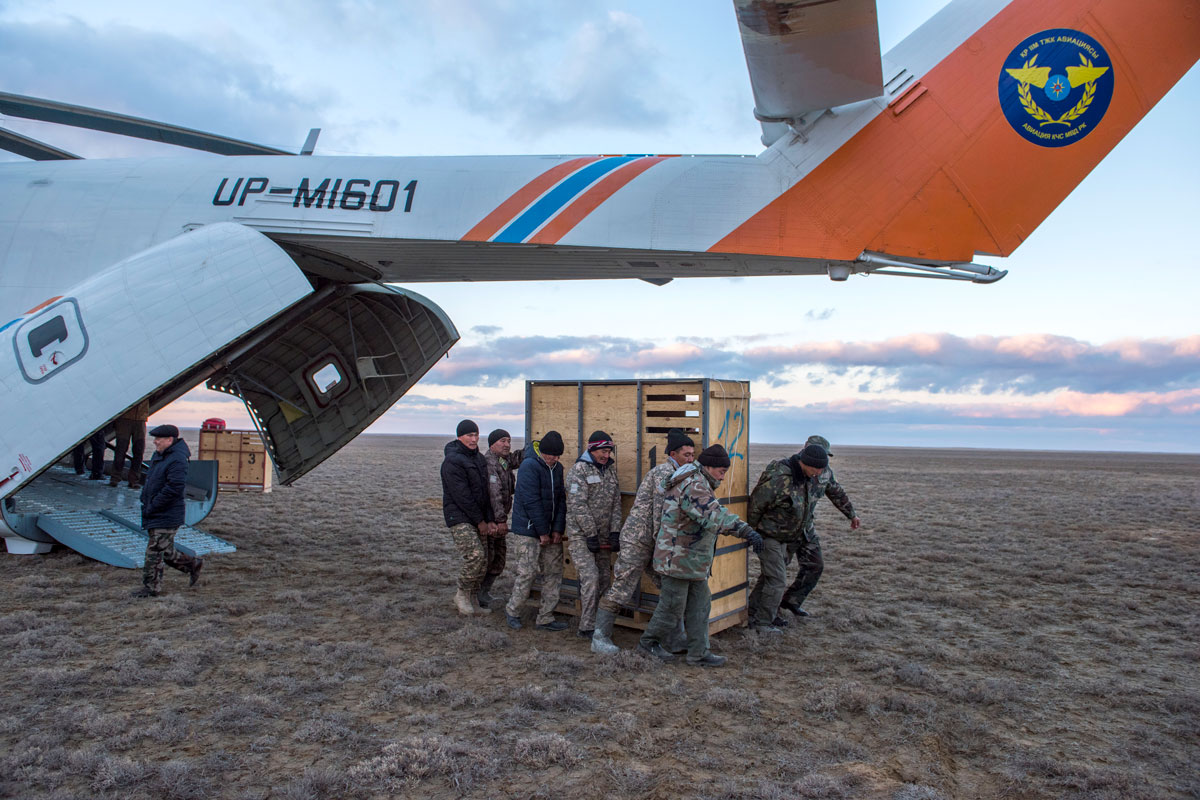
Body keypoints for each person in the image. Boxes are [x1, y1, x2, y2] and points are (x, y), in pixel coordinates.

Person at [639, 444, 763, 667]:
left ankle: (698, 652)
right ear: (708, 467)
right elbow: (714, 514)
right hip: (675, 557)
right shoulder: (694, 485)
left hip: (689, 559)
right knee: (672, 606)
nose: (723, 477)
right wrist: (746, 531)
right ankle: (648, 644)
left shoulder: (698, 480)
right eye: (721, 471)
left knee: (700, 604)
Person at [592, 428, 695, 655]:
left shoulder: (681, 475)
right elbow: (660, 513)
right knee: (622, 587)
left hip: (655, 543)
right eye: (686, 455)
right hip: (639, 540)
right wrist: (665, 548)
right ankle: (599, 637)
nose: (690, 459)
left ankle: (674, 639)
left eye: (692, 454)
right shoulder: (663, 474)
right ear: (673, 454)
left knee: (670, 588)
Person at [747, 442, 858, 632]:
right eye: (816, 469)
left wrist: (851, 514)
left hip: (792, 535)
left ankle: (755, 612)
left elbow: (834, 492)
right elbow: (756, 505)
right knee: (777, 579)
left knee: (771, 576)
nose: (819, 473)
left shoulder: (810, 476)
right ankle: (762, 623)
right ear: (806, 462)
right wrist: (751, 533)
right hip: (770, 535)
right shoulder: (781, 478)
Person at [779, 435, 861, 619]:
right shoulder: (787, 469)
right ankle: (764, 610)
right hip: (785, 529)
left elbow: (836, 492)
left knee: (815, 566)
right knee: (777, 572)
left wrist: (851, 514)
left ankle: (791, 601)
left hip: (806, 529)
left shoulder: (825, 472)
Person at [505, 431, 569, 631]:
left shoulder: (557, 469)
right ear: (542, 452)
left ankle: (546, 617)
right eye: (551, 455)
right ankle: (513, 610)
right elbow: (530, 501)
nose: (554, 459)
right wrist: (543, 532)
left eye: (558, 456)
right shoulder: (529, 466)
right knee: (527, 572)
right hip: (528, 530)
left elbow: (560, 500)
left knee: (553, 572)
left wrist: (557, 529)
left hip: (549, 531)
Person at [132, 424, 202, 598]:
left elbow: (174, 487)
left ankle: (151, 588)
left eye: (158, 439)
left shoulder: (177, 459)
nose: (155, 442)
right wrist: (145, 498)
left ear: (169, 440)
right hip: (156, 510)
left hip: (166, 513)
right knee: (167, 552)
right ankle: (193, 565)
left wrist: (154, 505)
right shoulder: (161, 455)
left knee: (154, 551)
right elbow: (152, 480)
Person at [564, 430, 623, 638]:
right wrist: (590, 533)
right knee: (590, 577)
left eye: (608, 451)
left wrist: (615, 532)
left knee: (605, 580)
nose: (606, 455)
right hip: (582, 537)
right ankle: (586, 626)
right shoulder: (578, 471)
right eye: (602, 451)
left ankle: (601, 624)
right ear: (592, 449)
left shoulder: (610, 471)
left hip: (604, 537)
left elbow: (616, 502)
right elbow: (577, 504)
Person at [440, 419, 495, 616]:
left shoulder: (478, 459)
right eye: (469, 436)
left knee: (484, 559)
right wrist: (480, 521)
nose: (473, 439)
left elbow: (485, 492)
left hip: (478, 516)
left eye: (476, 435)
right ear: (459, 437)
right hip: (459, 515)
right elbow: (461, 495)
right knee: (475, 555)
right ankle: (461, 593)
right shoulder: (452, 461)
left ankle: (473, 597)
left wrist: (488, 519)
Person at [480, 428, 523, 609]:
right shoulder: (489, 463)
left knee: (499, 559)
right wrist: (500, 520)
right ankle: (476, 594)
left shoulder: (502, 460)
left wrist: (535, 446)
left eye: (509, 441)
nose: (507, 445)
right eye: (502, 441)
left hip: (499, 521)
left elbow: (514, 459)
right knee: (487, 558)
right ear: (492, 444)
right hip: (491, 522)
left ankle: (484, 592)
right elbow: (494, 494)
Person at [110, 399, 149, 488]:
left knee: (138, 450)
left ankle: (133, 480)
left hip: (140, 419)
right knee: (121, 450)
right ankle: (115, 478)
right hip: (125, 418)